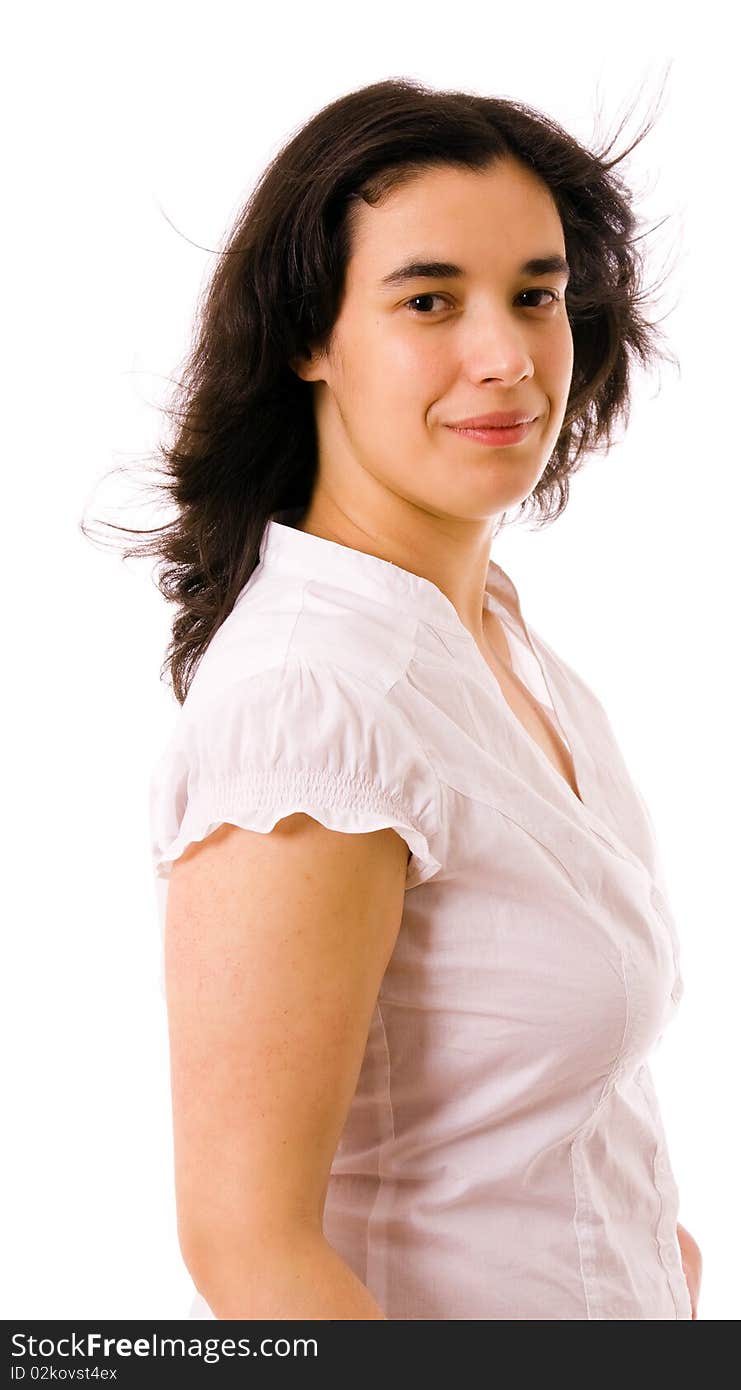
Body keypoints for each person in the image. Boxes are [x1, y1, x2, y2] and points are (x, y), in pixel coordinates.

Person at [139, 76, 703, 1319]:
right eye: (429, 299)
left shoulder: (496, 647)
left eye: (536, 294)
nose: (505, 355)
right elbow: (250, 1248)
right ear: (309, 337)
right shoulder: (311, 705)